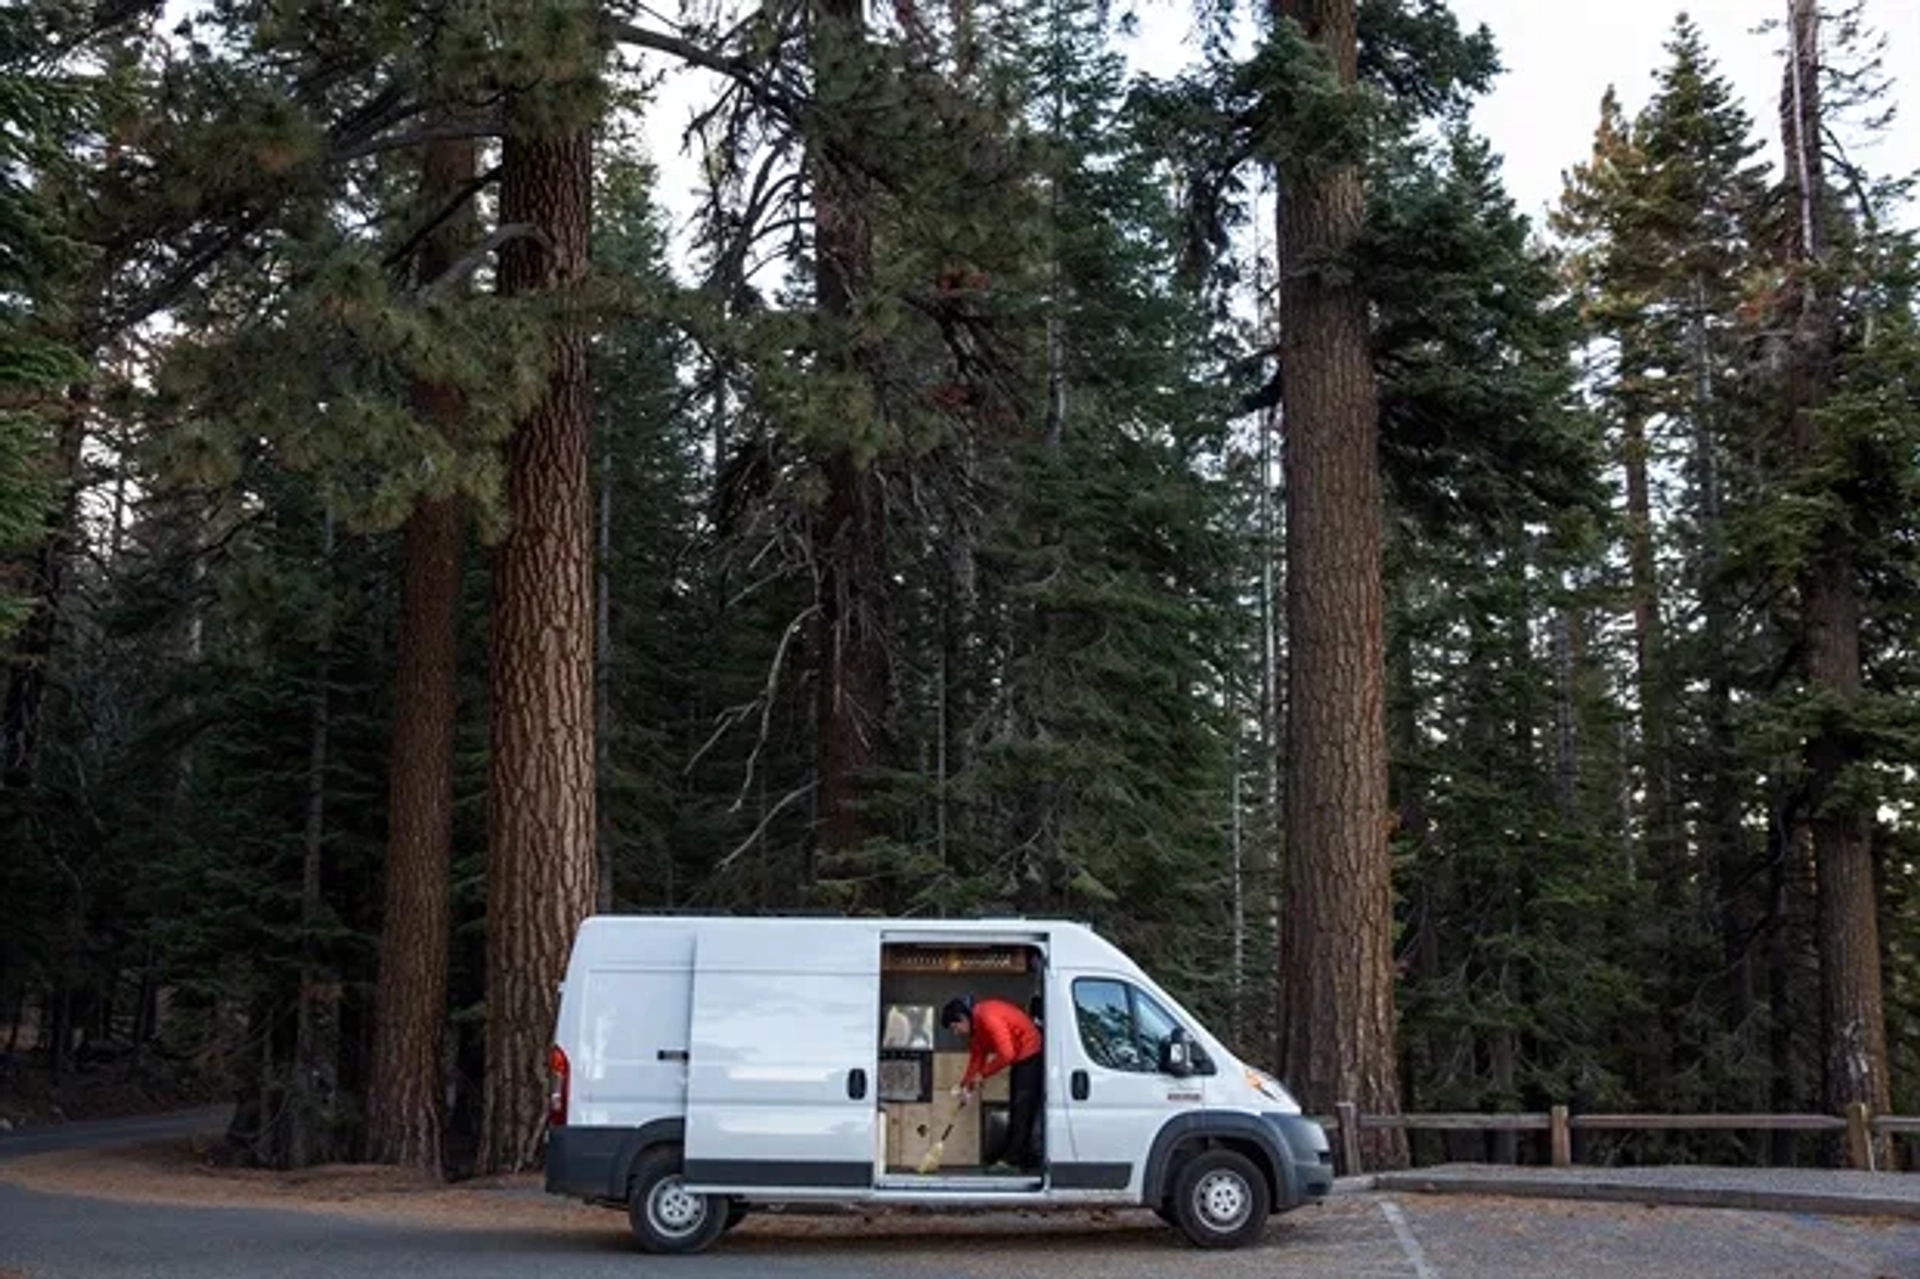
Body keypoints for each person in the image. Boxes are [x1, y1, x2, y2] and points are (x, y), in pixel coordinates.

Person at [941, 994, 1043, 1172]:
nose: (956, 1032)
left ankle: (1013, 1161)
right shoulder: (976, 1028)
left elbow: (1006, 1054)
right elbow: (977, 1058)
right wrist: (966, 1086)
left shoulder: (987, 1017)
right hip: (1020, 1058)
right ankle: (1019, 1158)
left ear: (963, 1018)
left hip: (1030, 1053)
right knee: (1017, 1105)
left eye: (955, 1027)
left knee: (1022, 1107)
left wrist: (982, 1075)